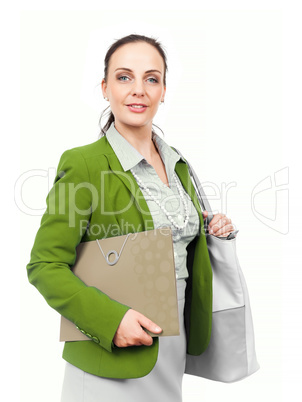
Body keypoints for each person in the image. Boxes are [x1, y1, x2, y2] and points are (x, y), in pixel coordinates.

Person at [26, 34, 236, 402]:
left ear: (164, 90)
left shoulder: (178, 164)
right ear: (105, 88)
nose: (138, 90)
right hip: (109, 355)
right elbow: (44, 265)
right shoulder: (84, 164)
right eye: (124, 77)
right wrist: (110, 322)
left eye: (151, 79)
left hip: (170, 348)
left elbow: (170, 240)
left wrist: (210, 229)